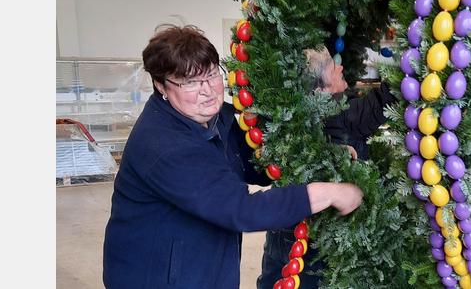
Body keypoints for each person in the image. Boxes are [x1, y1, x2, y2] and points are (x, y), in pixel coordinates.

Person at [103, 25, 364, 289]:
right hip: (159, 277)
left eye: (211, 75)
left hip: (201, 266)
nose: (207, 90)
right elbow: (241, 210)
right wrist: (327, 193)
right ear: (161, 85)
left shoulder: (218, 117)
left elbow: (257, 163)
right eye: (190, 82)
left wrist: (320, 156)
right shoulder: (165, 145)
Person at [257, 46, 397, 288]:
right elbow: (387, 97)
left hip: (283, 226)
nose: (341, 67)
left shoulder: (291, 116)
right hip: (312, 239)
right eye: (334, 66)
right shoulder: (342, 113)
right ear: (320, 90)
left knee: (277, 276)